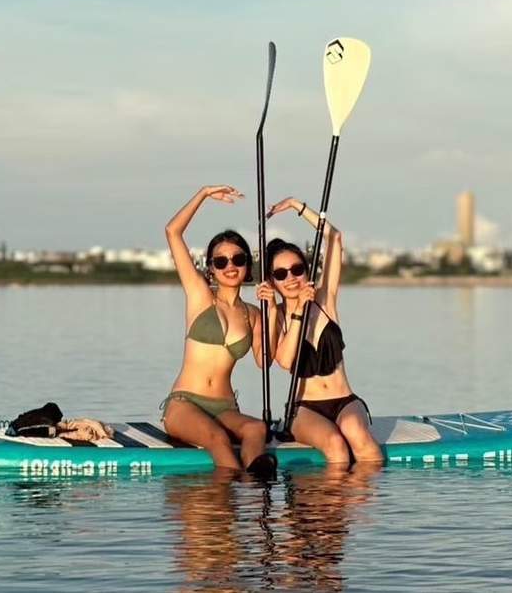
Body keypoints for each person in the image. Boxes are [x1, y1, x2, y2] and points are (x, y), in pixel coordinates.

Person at [161, 184, 278, 475]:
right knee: (218, 439)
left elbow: (265, 360)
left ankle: (254, 497)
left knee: (255, 428)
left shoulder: (253, 314)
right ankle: (224, 509)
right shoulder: (200, 295)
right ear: (211, 267)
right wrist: (202, 194)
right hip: (185, 403)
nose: (230, 266)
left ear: (247, 267)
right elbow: (172, 232)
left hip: (226, 407)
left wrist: (273, 311)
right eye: (221, 261)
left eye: (238, 260)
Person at [256, 197, 383, 465]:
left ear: (307, 270)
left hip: (344, 400)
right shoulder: (276, 316)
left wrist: (296, 206)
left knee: (355, 433)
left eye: (297, 269)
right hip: (305, 409)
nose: (291, 278)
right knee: (336, 446)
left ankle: (367, 504)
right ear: (273, 281)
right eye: (281, 274)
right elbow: (286, 360)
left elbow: (334, 238)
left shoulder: (325, 300)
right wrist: (298, 309)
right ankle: (331, 506)